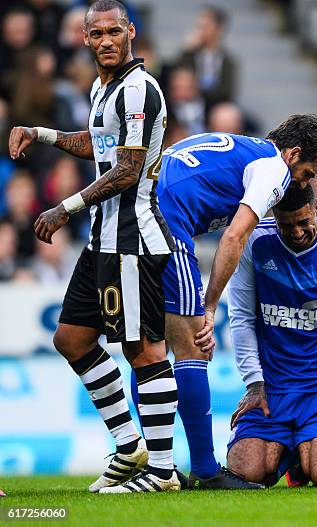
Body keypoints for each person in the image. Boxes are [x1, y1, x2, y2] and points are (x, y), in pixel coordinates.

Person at [8, 0, 181, 494]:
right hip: (104, 240)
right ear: (84, 38)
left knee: (143, 350)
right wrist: (41, 133)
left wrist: (64, 208)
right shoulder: (103, 86)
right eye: (95, 33)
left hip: (133, 239)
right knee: (72, 339)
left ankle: (163, 472)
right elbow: (100, 144)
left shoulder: (139, 89)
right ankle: (130, 448)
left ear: (131, 32)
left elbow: (127, 169)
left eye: (113, 31)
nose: (104, 40)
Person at [148, 114, 317, 489]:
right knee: (192, 348)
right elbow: (234, 238)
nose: (302, 185)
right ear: (293, 153)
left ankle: (147, 462)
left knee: (141, 349)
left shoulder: (239, 148)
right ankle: (204, 469)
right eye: (306, 174)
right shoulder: (274, 170)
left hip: (130, 216)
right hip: (167, 224)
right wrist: (210, 305)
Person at [226, 184, 317, 487]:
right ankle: (294, 451)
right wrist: (253, 383)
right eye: (286, 224)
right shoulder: (253, 242)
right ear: (272, 214)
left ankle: (305, 453)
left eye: (304, 222)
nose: (296, 232)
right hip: (270, 390)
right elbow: (241, 317)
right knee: (245, 474)